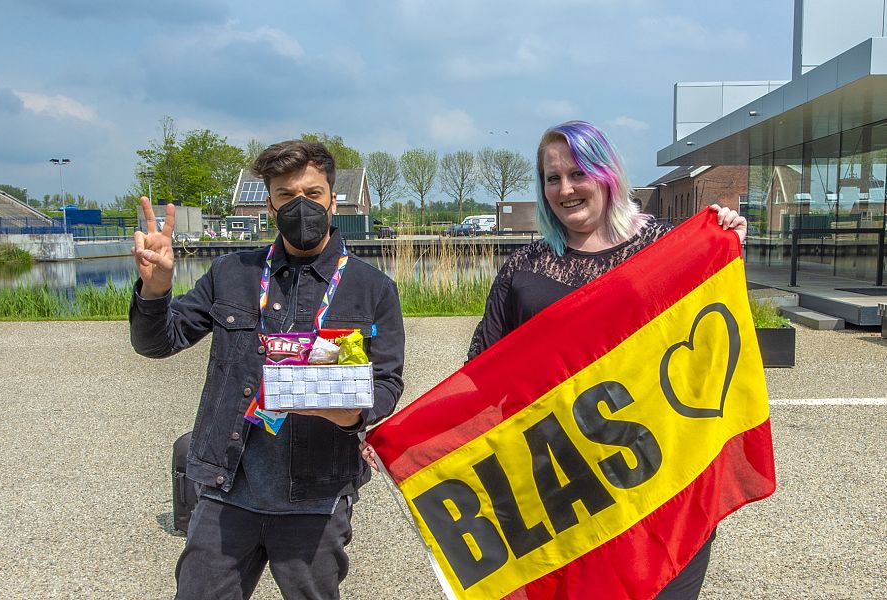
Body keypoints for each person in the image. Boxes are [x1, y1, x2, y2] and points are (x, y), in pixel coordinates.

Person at [466, 120, 746, 599]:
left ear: (607, 173)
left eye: (577, 173)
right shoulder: (523, 269)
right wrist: (406, 441)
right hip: (566, 485)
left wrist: (727, 244)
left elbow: (715, 329)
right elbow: (480, 373)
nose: (565, 189)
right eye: (552, 178)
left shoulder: (665, 248)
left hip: (657, 472)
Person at [130, 140, 405, 600]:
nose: (301, 205)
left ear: (333, 199)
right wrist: (156, 289)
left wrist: (354, 414)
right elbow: (158, 342)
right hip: (226, 486)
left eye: (313, 193)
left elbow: (387, 383)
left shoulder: (371, 288)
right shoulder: (231, 272)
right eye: (285, 195)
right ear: (270, 205)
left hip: (316, 494)